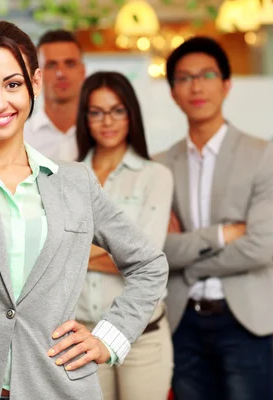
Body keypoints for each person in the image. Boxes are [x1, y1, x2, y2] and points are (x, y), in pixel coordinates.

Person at [0, 21, 168, 400]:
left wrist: (109, 338)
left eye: (13, 84)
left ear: (35, 84)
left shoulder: (75, 183)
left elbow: (150, 265)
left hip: (57, 386)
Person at [155, 36, 273, 400]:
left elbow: (261, 247)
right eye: (184, 78)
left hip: (245, 320)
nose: (196, 85)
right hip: (182, 319)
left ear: (226, 84)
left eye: (206, 74)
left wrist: (190, 265)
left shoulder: (262, 154)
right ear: (173, 92)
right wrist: (221, 236)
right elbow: (158, 249)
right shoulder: (159, 166)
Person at [75, 71, 174, 400]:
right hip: (81, 336)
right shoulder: (67, 176)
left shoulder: (155, 176)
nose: (107, 121)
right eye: (97, 111)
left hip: (142, 339)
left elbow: (146, 259)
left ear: (131, 114)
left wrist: (74, 252)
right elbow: (47, 254)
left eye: (118, 110)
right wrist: (115, 255)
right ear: (85, 117)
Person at [24, 29, 86, 161]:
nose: (61, 73)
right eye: (51, 65)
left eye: (70, 64)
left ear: (83, 71)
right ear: (35, 76)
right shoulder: (21, 140)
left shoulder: (101, 134)